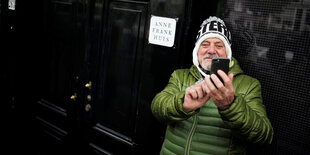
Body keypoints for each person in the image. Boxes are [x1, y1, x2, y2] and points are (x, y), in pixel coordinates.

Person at [151, 16, 274, 155]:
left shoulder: (248, 85)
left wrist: (230, 105)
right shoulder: (180, 76)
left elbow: (264, 136)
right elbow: (157, 109)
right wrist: (182, 104)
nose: (211, 50)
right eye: (205, 44)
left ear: (227, 52)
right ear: (196, 51)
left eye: (219, 45)